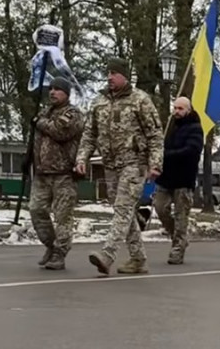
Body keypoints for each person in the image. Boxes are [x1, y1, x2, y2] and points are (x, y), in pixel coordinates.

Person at [75, 57, 164, 276]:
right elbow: (89, 134)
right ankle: (138, 259)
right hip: (110, 166)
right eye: (108, 73)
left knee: (123, 209)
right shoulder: (99, 102)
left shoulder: (140, 100)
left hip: (135, 164)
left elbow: (155, 135)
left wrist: (155, 164)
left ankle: (108, 254)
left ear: (125, 75)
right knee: (124, 212)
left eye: (114, 73)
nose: (109, 77)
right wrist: (81, 158)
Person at [29, 77, 84, 270]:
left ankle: (60, 253)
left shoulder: (73, 113)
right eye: (51, 89)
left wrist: (39, 122)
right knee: (36, 209)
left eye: (57, 89)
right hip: (42, 173)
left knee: (62, 217)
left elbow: (61, 131)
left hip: (63, 174)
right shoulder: (44, 113)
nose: (52, 92)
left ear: (66, 93)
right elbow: (37, 140)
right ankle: (50, 245)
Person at [153, 96, 204, 265]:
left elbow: (191, 151)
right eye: (175, 108)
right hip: (166, 177)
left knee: (181, 215)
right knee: (160, 208)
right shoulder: (170, 127)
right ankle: (179, 237)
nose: (176, 112)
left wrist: (167, 155)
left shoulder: (195, 128)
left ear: (188, 110)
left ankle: (177, 248)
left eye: (180, 109)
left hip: (184, 178)